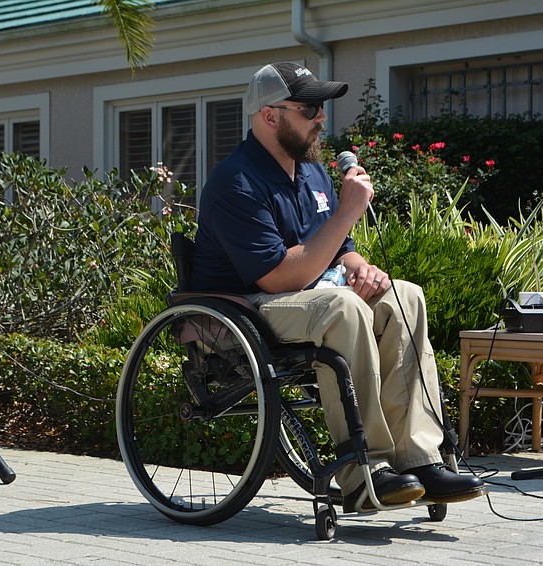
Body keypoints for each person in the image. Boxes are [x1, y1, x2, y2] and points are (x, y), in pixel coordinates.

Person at [191, 62, 485, 508]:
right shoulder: (235, 183)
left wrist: (360, 266)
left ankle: (420, 459)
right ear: (271, 116)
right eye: (310, 108)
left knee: (405, 295)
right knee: (341, 307)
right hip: (247, 308)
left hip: (309, 296)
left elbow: (338, 247)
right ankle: (364, 470)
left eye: (322, 107)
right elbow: (277, 276)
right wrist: (348, 211)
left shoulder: (311, 173)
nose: (322, 119)